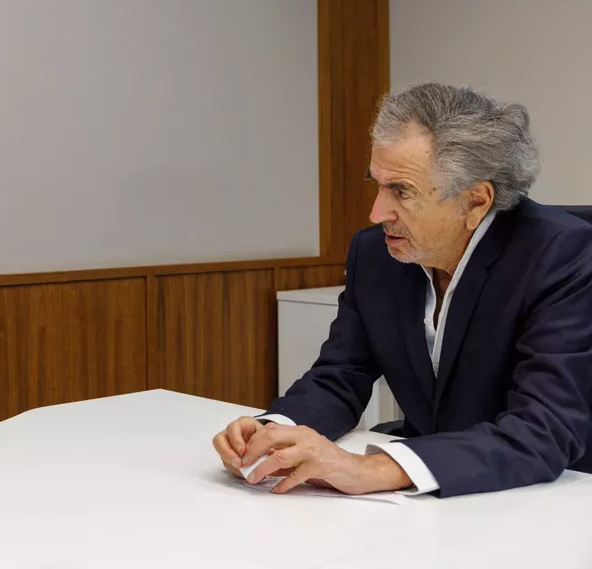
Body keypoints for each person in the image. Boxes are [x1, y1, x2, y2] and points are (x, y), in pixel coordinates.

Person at [213, 83, 592, 498]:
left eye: (401, 191)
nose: (376, 213)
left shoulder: (562, 255)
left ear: (476, 201)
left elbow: (545, 428)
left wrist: (375, 469)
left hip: (547, 497)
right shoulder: (375, 252)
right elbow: (342, 374)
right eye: (376, 184)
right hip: (426, 503)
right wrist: (275, 432)